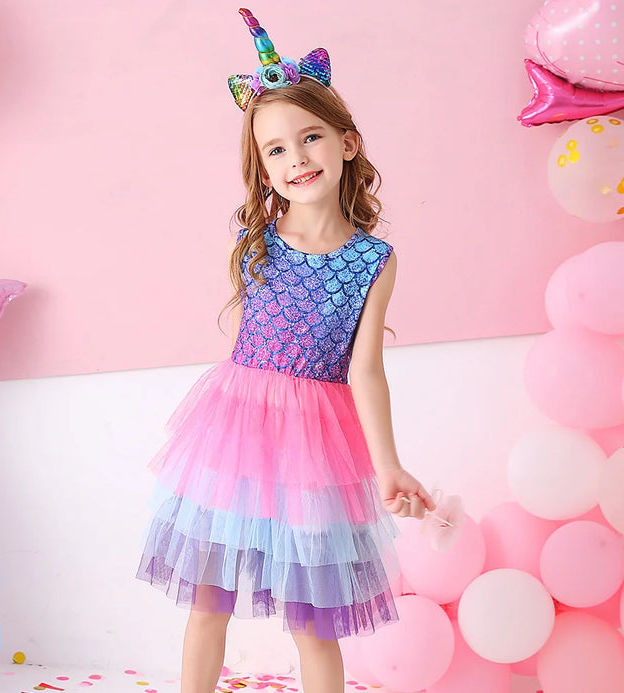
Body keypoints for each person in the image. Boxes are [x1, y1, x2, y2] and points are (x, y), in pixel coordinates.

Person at [136, 8, 436, 693]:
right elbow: (249, 351)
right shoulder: (257, 241)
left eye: (310, 137)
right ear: (262, 168)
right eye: (275, 149)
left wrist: (388, 465)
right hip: (235, 434)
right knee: (208, 600)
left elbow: (366, 370)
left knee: (315, 622)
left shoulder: (373, 260)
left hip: (316, 448)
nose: (296, 158)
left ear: (347, 143)